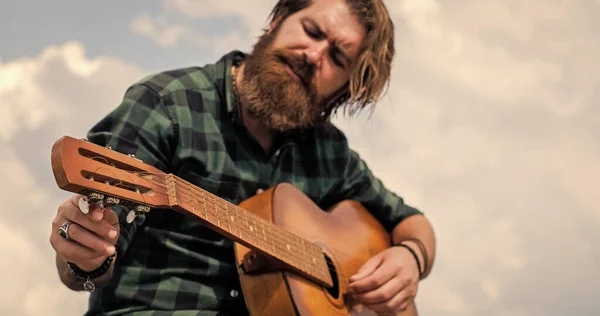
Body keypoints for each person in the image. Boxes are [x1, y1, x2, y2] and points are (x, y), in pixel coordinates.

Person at [49, 0, 437, 315]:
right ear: (278, 20)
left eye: (337, 56)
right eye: (312, 31)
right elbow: (87, 263)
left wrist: (411, 257)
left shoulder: (330, 155)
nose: (314, 55)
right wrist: (84, 255)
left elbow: (413, 224)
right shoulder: (167, 104)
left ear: (344, 88)